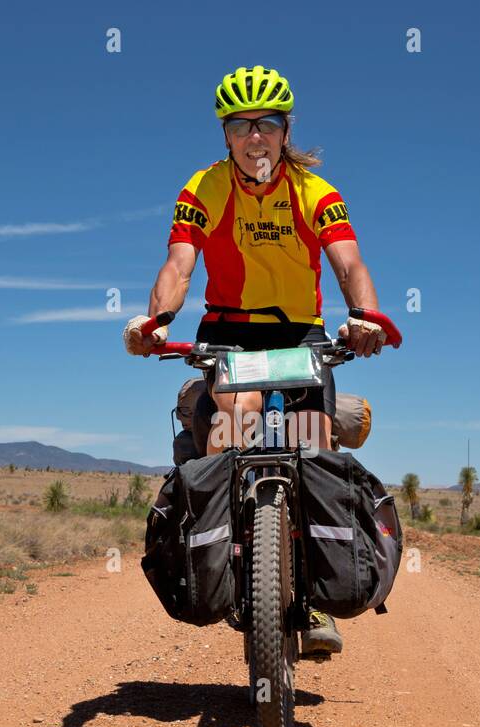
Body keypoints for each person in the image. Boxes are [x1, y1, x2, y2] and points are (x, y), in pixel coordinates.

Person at [124, 65, 387, 655]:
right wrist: (157, 321)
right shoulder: (204, 188)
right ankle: (230, 557)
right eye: (241, 125)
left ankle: (316, 591)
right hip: (228, 328)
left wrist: (365, 315)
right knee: (230, 426)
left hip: (301, 332)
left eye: (267, 123)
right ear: (226, 135)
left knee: (314, 441)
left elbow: (348, 263)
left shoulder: (315, 192)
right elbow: (178, 266)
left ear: (285, 131)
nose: (255, 136)